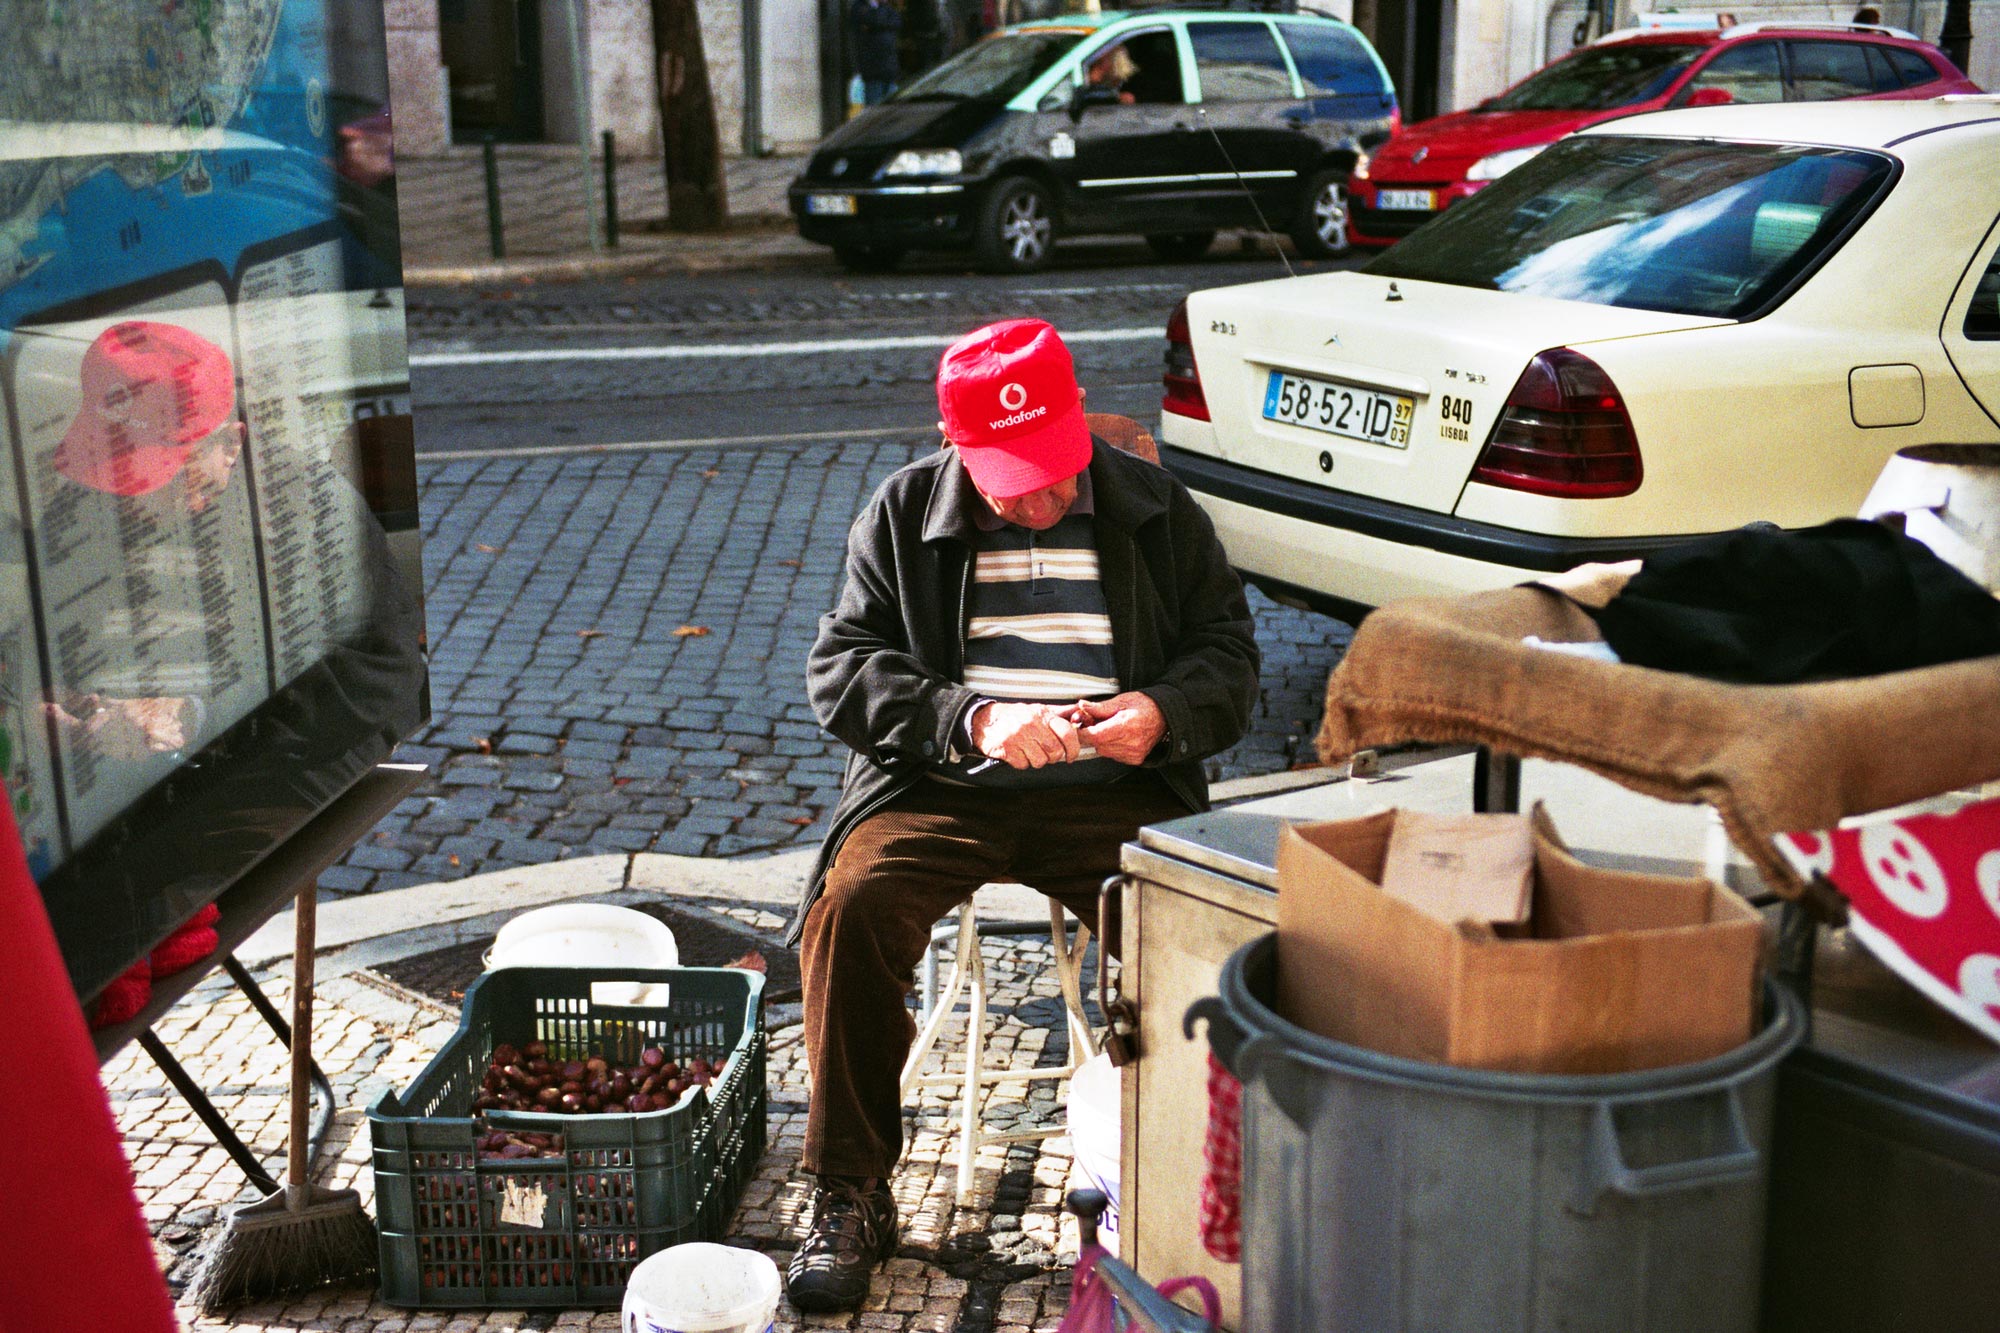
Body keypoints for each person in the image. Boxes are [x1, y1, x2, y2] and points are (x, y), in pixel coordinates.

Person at [785, 319, 1261, 1313]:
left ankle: (1173, 1168)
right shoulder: (904, 508)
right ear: (956, 448)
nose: (1038, 500)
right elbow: (842, 672)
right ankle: (847, 1188)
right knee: (854, 906)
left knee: (1189, 929)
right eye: (1009, 479)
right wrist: (976, 718)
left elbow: (1228, 659)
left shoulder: (1157, 511)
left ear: (1077, 421)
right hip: (941, 785)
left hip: (1113, 791)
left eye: (1052, 469)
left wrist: (1161, 713)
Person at [850, 0, 902, 106]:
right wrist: (883, 20)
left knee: (892, 106)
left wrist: (877, 25)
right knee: (875, 107)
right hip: (873, 69)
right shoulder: (859, 6)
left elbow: (897, 21)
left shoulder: (886, 7)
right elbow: (875, 19)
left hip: (889, 68)